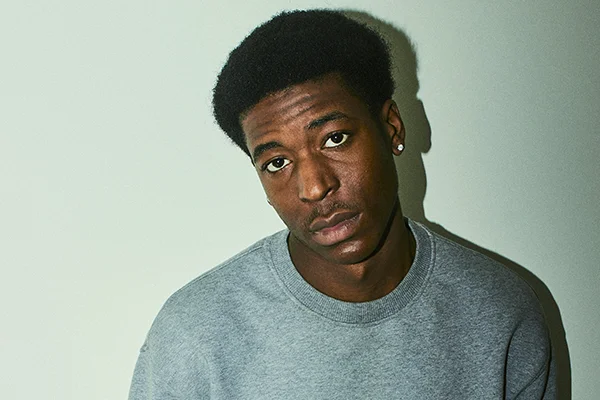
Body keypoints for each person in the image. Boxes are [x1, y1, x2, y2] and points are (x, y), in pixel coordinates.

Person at [129, 10, 555, 399]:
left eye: (335, 139)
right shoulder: (195, 334)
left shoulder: (500, 313)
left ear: (392, 128)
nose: (314, 187)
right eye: (277, 162)